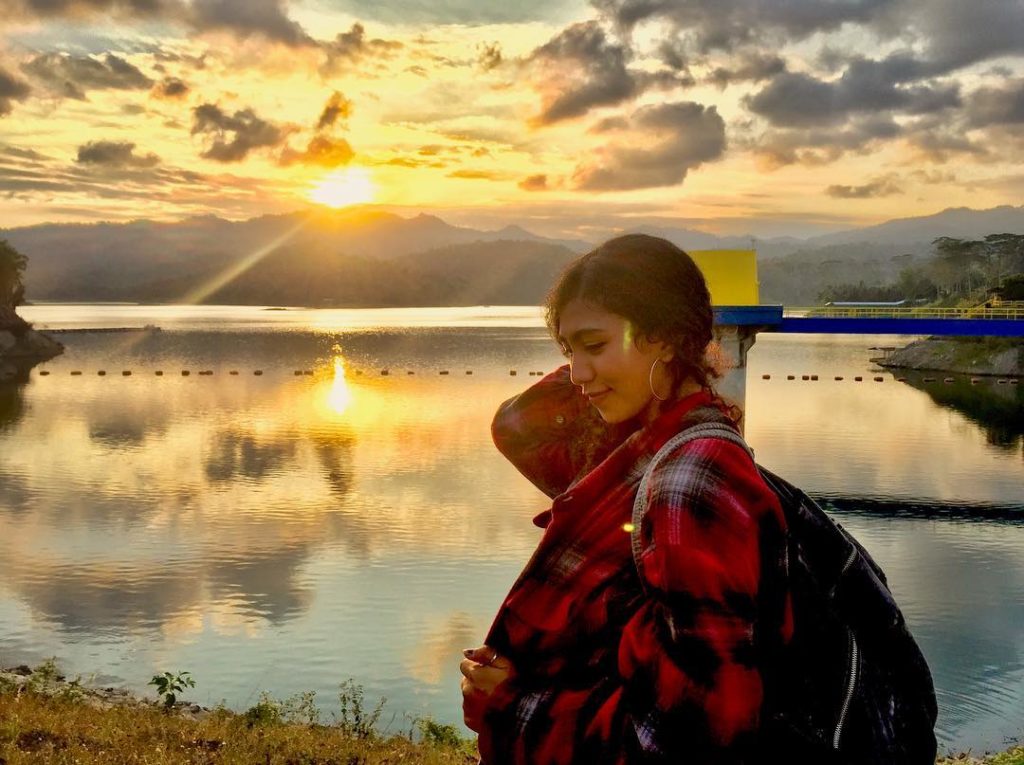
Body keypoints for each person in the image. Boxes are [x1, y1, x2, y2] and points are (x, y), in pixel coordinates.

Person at [460, 234, 792, 764]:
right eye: (568, 351)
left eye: (595, 345)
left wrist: (514, 704)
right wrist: (617, 372)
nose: (576, 374)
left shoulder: (688, 482)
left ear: (664, 336)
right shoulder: (637, 454)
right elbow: (517, 427)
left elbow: (695, 740)